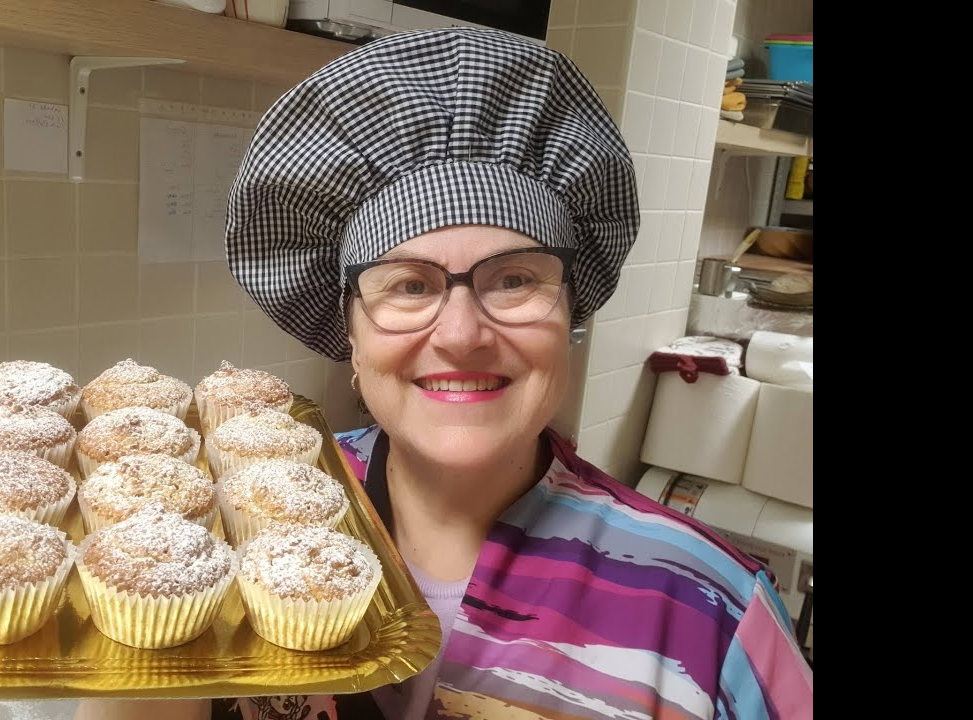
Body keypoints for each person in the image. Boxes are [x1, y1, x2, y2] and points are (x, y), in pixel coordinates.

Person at [77, 26, 813, 720]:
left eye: (515, 280)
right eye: (408, 286)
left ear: (572, 314)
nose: (461, 334)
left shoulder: (710, 610)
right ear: (351, 330)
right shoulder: (205, 536)